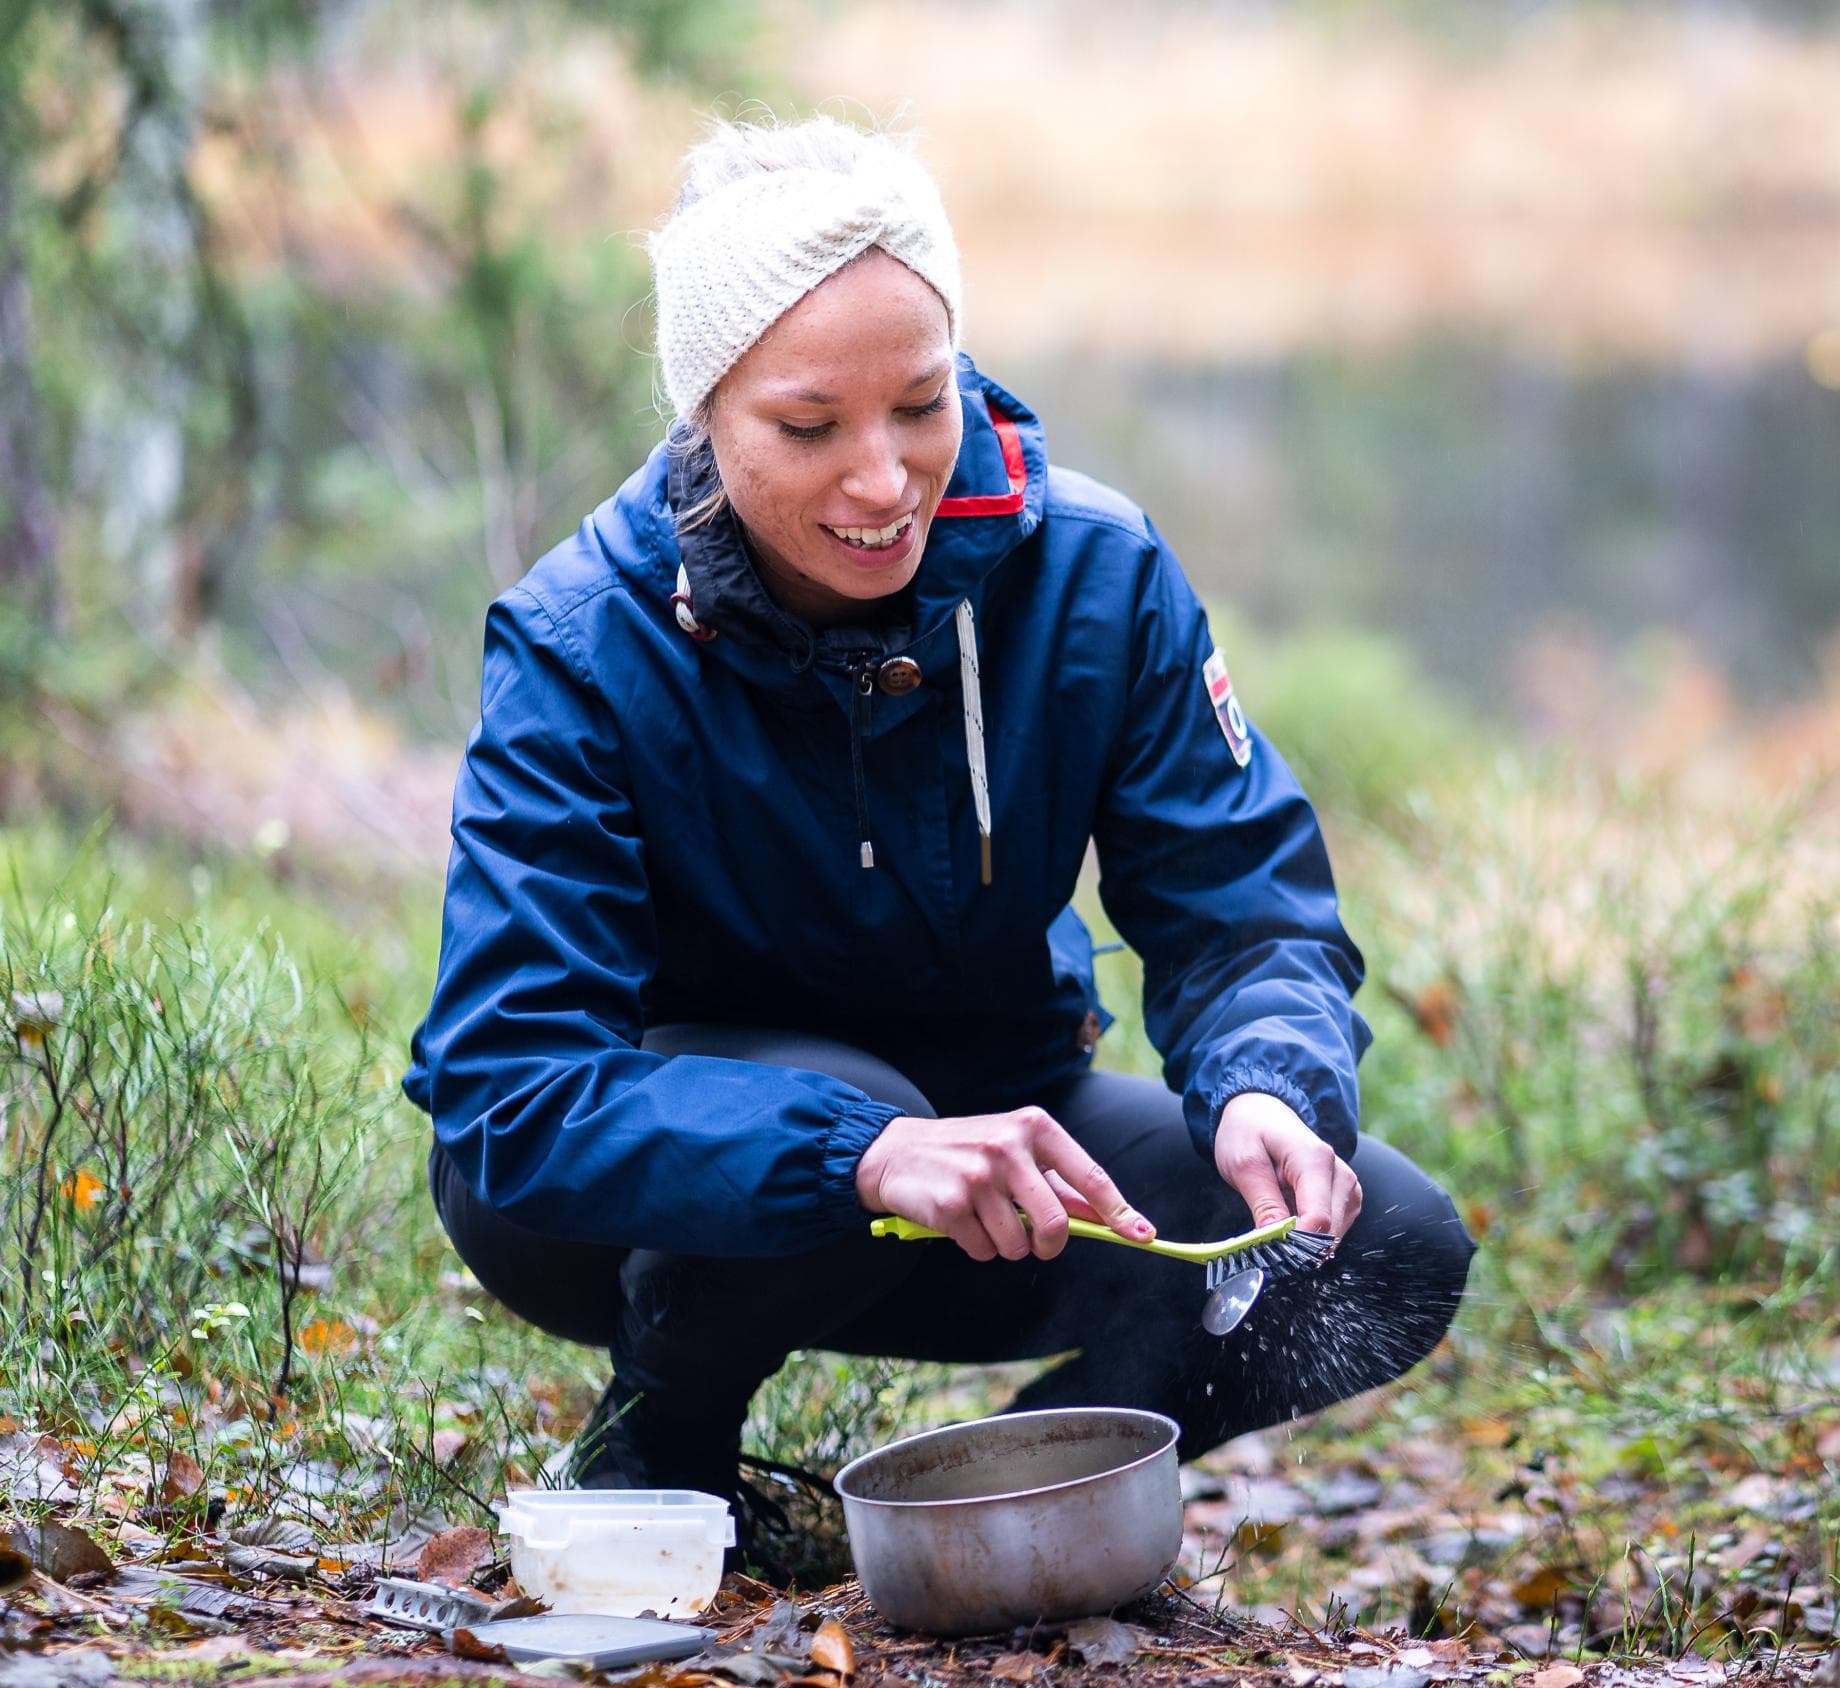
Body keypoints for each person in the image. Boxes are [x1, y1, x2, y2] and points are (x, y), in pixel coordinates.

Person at [402, 116, 1474, 1508]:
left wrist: (1269, 1076)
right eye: (807, 426)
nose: (884, 477)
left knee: (1389, 1239)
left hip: (1006, 1174)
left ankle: (1001, 1499)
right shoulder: (579, 640)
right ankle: (657, 1457)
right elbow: (510, 1088)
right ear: (706, 413)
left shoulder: (1094, 578)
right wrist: (863, 1153)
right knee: (853, 1100)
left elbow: (1246, 909)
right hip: (620, 1221)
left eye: (920, 403)